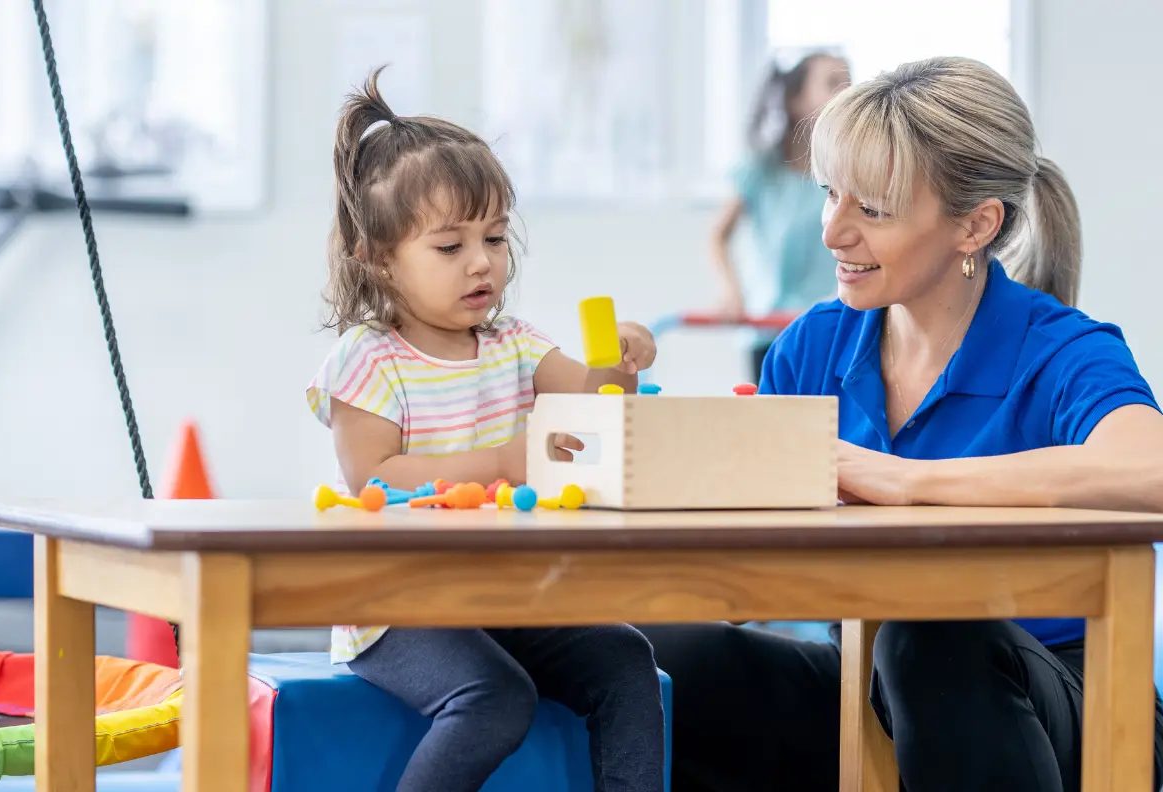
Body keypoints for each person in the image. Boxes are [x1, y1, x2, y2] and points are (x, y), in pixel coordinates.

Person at [641, 56, 1163, 792]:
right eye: (829, 195)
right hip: (872, 682)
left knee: (930, 635)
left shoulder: (1063, 350)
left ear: (975, 226)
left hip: (1063, 698)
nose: (833, 232)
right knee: (655, 659)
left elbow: (1152, 472)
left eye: (873, 211)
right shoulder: (813, 345)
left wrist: (903, 480)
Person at [306, 68, 665, 792]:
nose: (482, 263)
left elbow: (597, 408)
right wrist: (502, 460)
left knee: (626, 661)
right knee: (496, 698)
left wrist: (617, 360)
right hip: (397, 610)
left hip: (505, 599)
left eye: (495, 238)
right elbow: (375, 478)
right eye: (449, 247)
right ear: (378, 256)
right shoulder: (366, 360)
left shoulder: (518, 346)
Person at [710, 51, 851, 380]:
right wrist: (732, 292)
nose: (845, 94)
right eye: (832, 84)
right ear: (796, 100)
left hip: (831, 327)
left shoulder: (846, 172)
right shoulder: (760, 172)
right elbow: (718, 237)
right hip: (768, 329)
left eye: (848, 83)